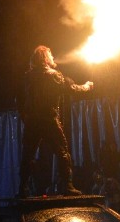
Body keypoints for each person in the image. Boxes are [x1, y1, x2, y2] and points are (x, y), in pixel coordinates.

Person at [18, 45, 93, 197]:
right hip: (49, 120)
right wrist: (86, 86)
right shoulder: (53, 75)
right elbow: (72, 88)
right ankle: (68, 186)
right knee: (62, 152)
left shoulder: (27, 77)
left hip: (32, 122)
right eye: (50, 55)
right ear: (45, 58)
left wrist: (25, 117)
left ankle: (22, 189)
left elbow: (19, 100)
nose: (53, 57)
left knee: (27, 155)